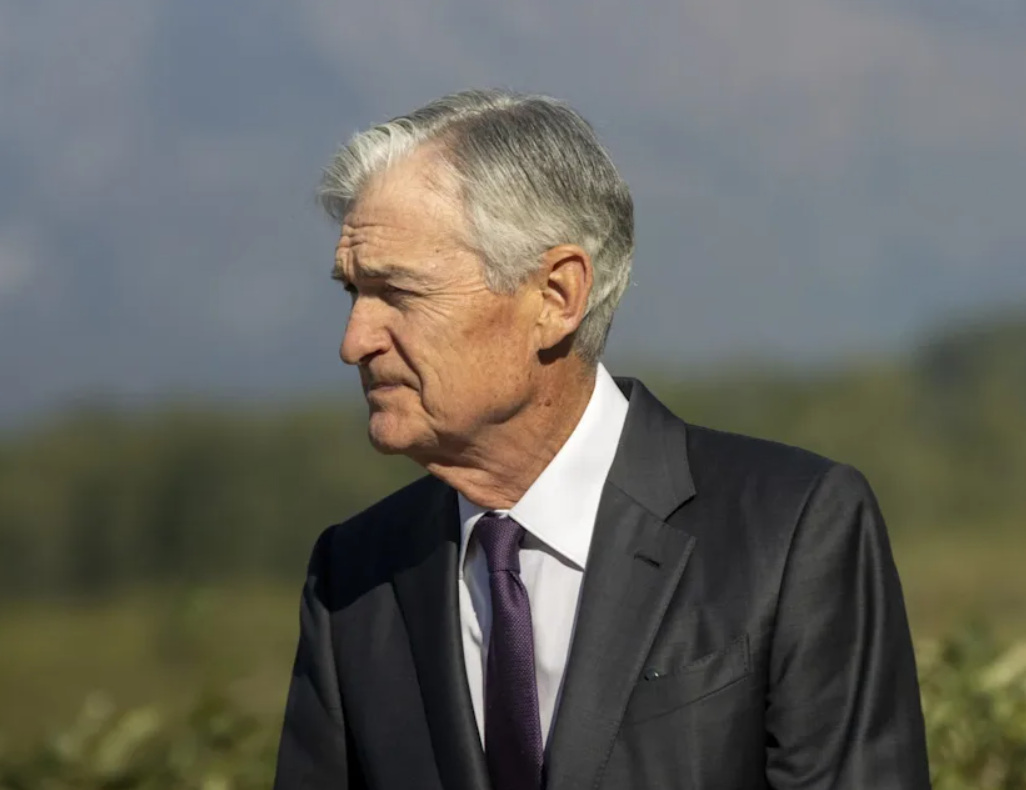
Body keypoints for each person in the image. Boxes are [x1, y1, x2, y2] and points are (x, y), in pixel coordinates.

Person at [273, 89, 931, 790]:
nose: (355, 341)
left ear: (557, 297)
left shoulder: (791, 530)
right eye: (354, 293)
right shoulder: (354, 575)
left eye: (400, 293)